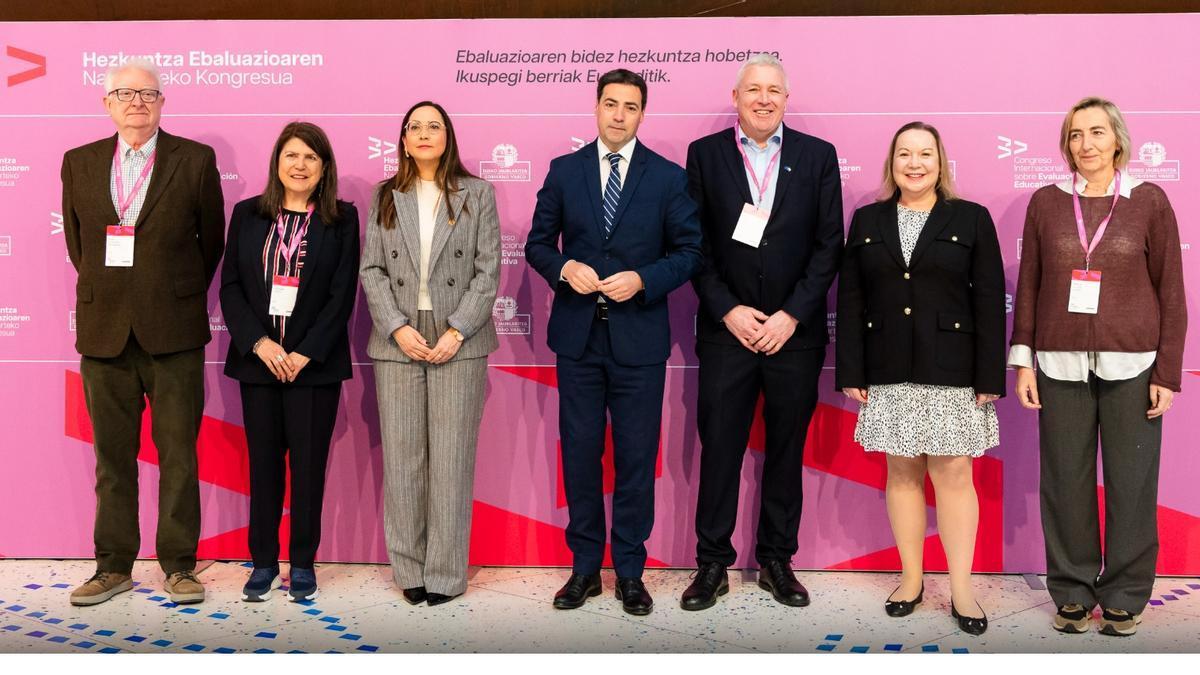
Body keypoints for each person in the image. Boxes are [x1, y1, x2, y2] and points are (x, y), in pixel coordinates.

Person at [525, 69, 702, 616]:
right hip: (578, 340)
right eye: (610, 103)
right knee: (579, 455)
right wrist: (564, 268)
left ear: (643, 114)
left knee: (634, 458)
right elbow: (536, 245)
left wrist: (645, 279)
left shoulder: (668, 178)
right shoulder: (564, 172)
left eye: (630, 106)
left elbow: (690, 252)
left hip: (639, 342)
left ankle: (629, 570)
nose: (619, 113)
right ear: (596, 109)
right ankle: (583, 569)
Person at [1010, 97, 1186, 637]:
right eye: (1075, 135)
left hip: (1133, 366)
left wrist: (1167, 374)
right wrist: (1023, 362)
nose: (1085, 144)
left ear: (1117, 141)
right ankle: (1071, 589)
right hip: (1059, 364)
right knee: (1065, 481)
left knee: (1133, 484)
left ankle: (1126, 594)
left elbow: (1172, 294)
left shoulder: (1149, 201)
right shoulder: (1045, 202)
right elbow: (1032, 286)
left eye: (1096, 133)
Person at [681, 53, 842, 611]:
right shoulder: (704, 156)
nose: (764, 98)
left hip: (793, 335)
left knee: (785, 450)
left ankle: (777, 560)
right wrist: (727, 309)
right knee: (720, 447)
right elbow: (692, 242)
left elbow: (829, 246)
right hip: (727, 331)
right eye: (754, 89)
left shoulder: (817, 157)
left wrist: (792, 314)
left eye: (774, 89)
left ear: (786, 97)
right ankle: (711, 564)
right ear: (737, 95)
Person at [61, 58, 225, 606]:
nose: (137, 102)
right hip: (104, 331)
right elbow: (79, 246)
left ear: (162, 103)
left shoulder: (195, 160)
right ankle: (113, 566)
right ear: (106, 103)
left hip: (173, 331)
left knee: (178, 454)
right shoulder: (78, 163)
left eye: (148, 94)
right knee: (112, 457)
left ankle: (180, 566)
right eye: (126, 94)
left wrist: (168, 292)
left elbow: (211, 245)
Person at [836, 122, 1005, 635]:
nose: (915, 163)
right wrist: (851, 368)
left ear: (940, 161)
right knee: (902, 476)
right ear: (892, 163)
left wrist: (989, 374)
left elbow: (989, 301)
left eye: (925, 154)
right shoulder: (867, 220)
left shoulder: (971, 218)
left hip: (952, 371)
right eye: (905, 154)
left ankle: (962, 590)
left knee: (954, 478)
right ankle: (911, 580)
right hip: (889, 369)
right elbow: (850, 299)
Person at [361, 101, 500, 607]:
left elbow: (488, 272)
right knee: (403, 462)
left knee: (451, 462)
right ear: (402, 139)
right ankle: (409, 569)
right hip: (398, 338)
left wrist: (458, 330)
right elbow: (372, 270)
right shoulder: (384, 195)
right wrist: (396, 328)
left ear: (448, 136)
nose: (423, 133)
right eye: (414, 126)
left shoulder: (477, 194)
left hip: (456, 340)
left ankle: (444, 572)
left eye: (433, 126)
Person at [219, 122, 360, 602]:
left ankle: (302, 563)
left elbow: (342, 296)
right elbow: (231, 287)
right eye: (291, 156)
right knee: (263, 468)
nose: (299, 165)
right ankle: (262, 561)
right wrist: (259, 344)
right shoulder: (246, 215)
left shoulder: (342, 220)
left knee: (308, 468)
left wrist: (303, 352)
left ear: (324, 168)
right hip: (258, 364)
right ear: (277, 161)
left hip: (312, 367)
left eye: (310, 158)